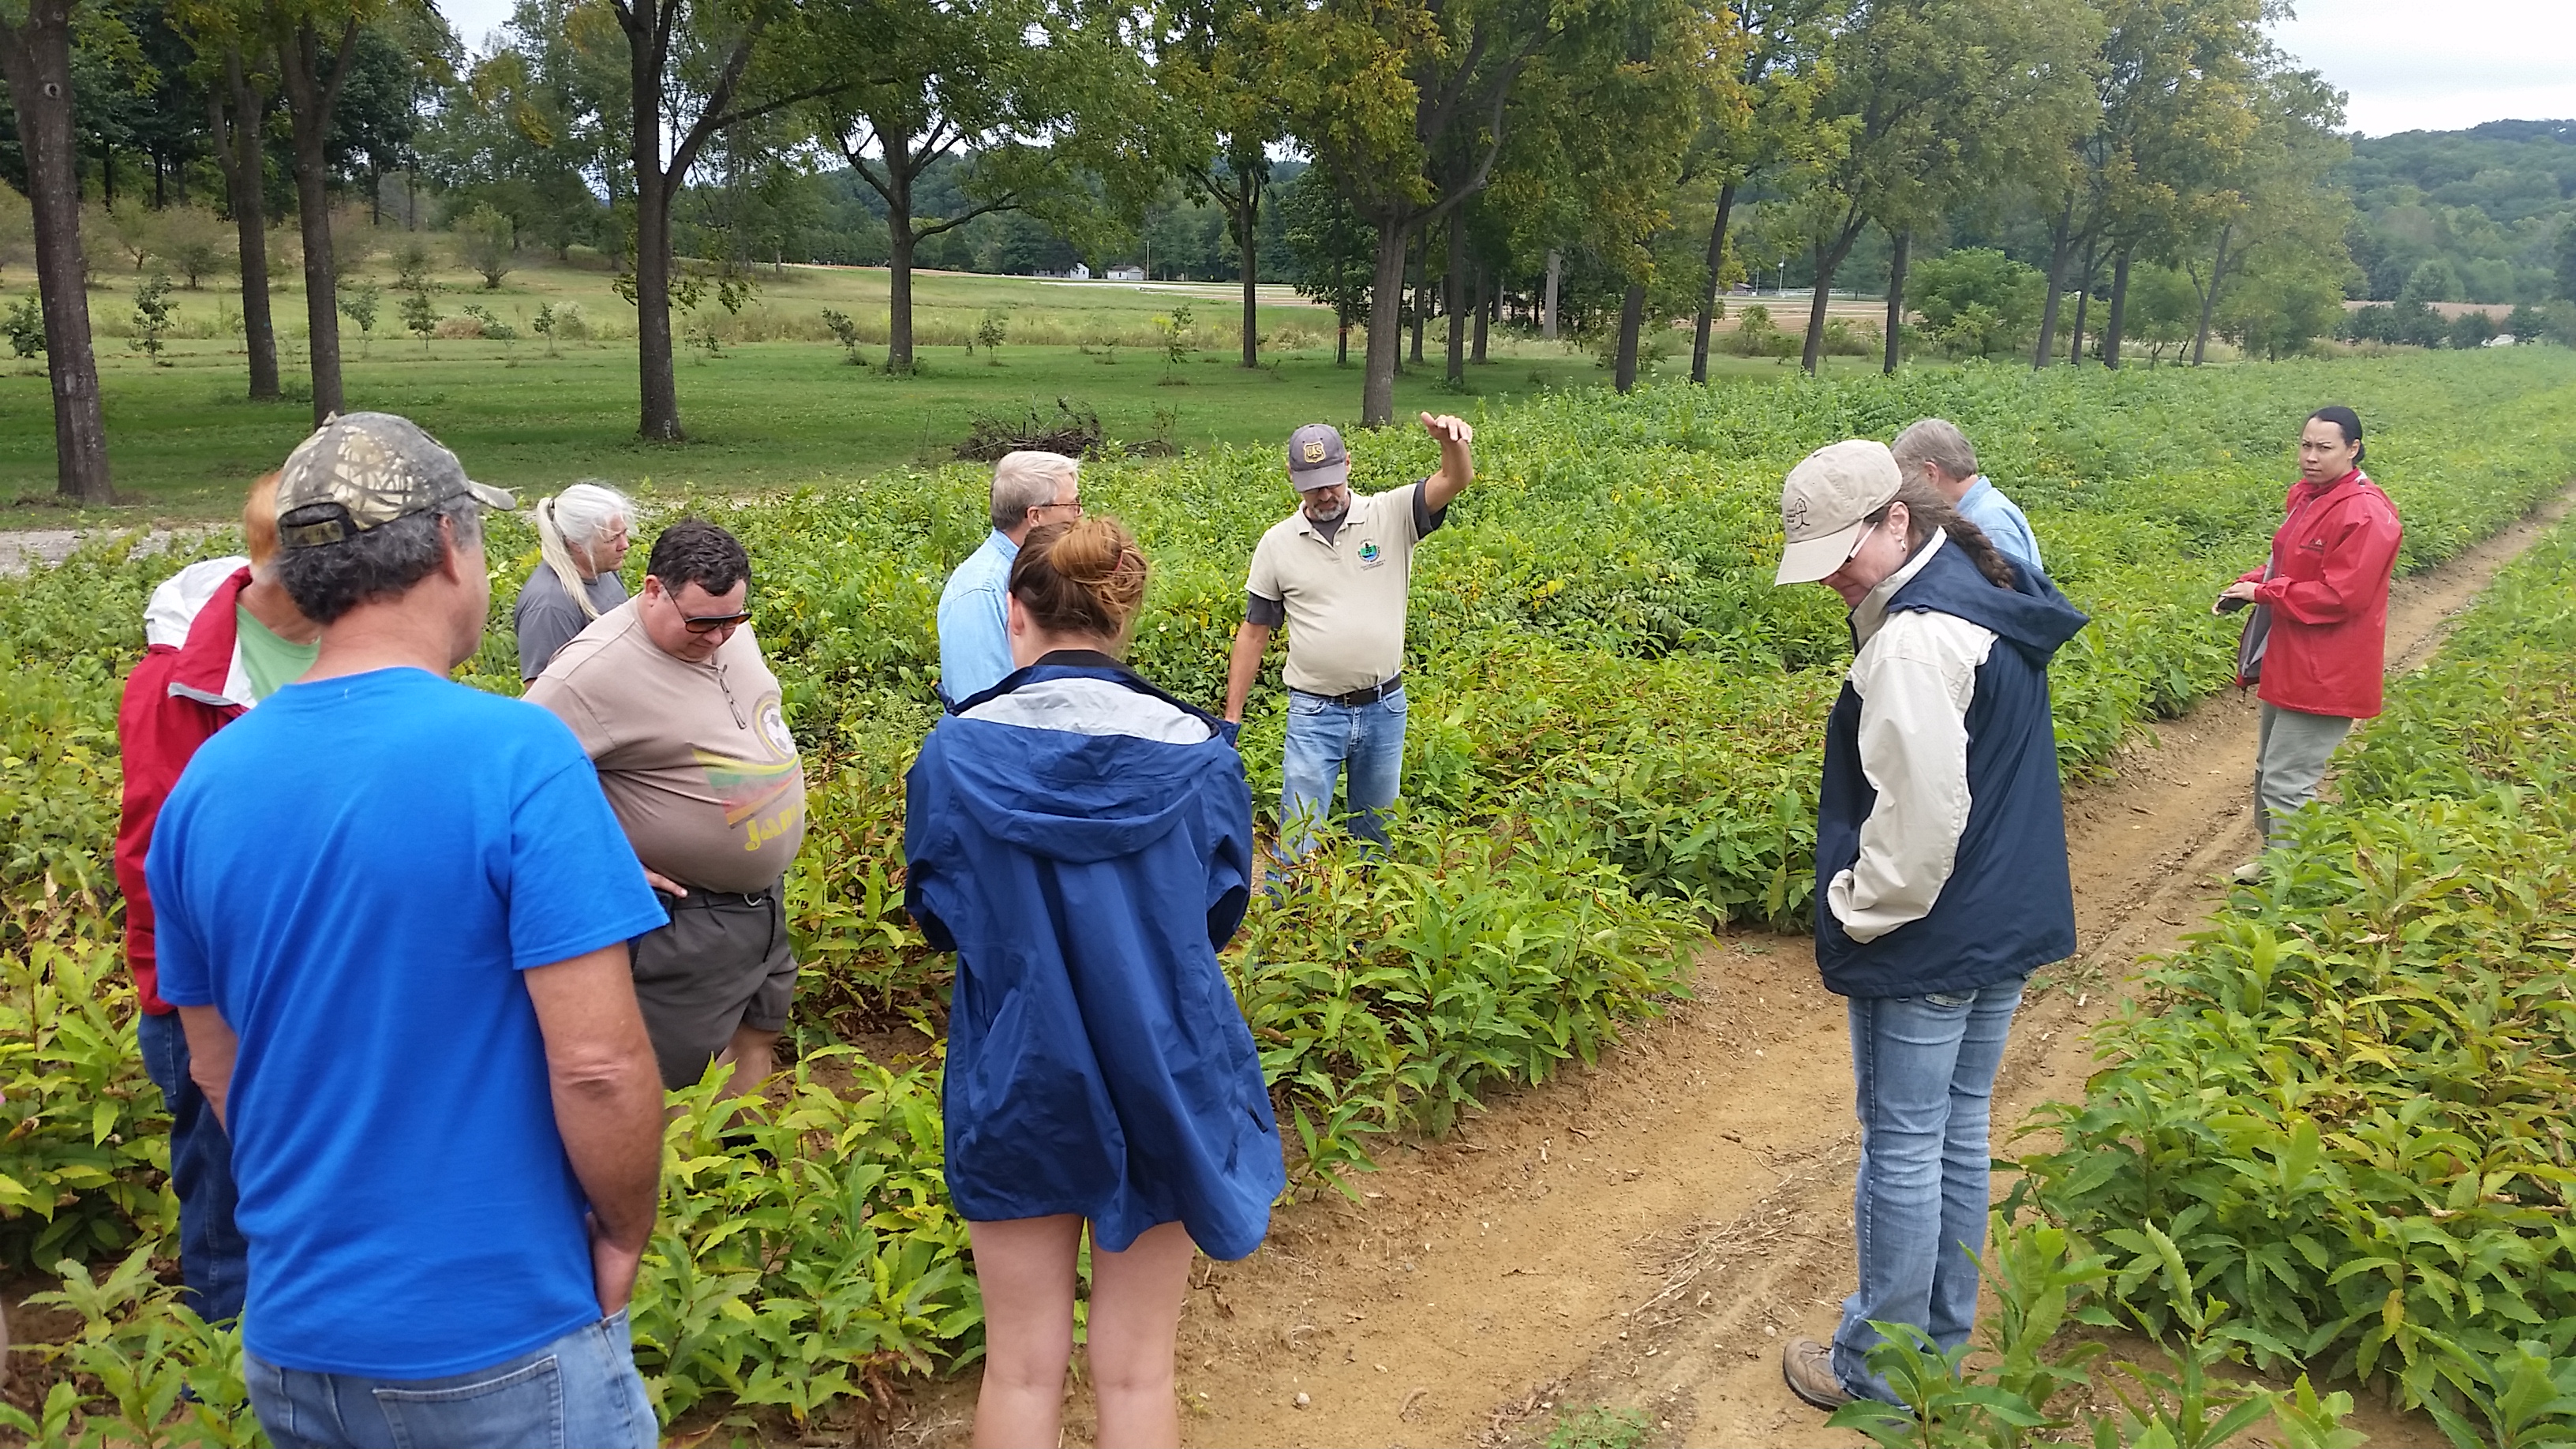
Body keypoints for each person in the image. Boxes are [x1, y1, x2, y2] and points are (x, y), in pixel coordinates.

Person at [147, 412, 669, 1447]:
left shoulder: (207, 783)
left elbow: (218, 1073)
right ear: (447, 545)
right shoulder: (515, 755)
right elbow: (600, 1062)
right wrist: (623, 1230)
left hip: (297, 1337)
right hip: (496, 1330)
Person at [904, 516, 1279, 1449]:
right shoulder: (1201, 755)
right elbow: (1218, 916)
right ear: (1122, 619)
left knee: (1021, 1366)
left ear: (1015, 619)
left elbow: (940, 919)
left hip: (1018, 1073)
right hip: (1167, 1070)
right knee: (1140, 1367)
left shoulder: (951, 756)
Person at [1766, 440, 2087, 1413]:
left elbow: (1918, 823)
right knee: (1956, 1131)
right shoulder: (1986, 590)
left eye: (1839, 554)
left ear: (1896, 521)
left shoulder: (1911, 641)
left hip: (1934, 933)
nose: (1830, 577)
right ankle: (1935, 1352)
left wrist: (1856, 911)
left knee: (1902, 1145)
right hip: (2006, 914)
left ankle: (1877, 1374)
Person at [113, 471, 320, 1325]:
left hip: (314, 980)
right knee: (229, 1211)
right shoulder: (177, 684)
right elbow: (158, 863)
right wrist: (188, 1015)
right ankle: (222, 1383)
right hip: (215, 1001)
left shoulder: (343, 647)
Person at [526, 520, 807, 1097]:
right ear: (653, 589)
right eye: (701, 622)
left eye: (736, 619)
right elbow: (507, 786)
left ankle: (744, 1179)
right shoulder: (587, 674)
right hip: (684, 922)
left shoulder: (724, 630)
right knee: (672, 1079)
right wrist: (604, 858)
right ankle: (673, 1186)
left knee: (758, 1031)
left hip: (763, 904)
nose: (719, 637)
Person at [1220, 414, 1473, 862]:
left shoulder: (1391, 515)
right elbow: (1254, 632)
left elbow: (1456, 478)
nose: (1325, 494)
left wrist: (1451, 442)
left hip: (1384, 708)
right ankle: (1294, 920)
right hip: (1314, 713)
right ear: (1293, 478)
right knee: (1300, 833)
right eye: (1313, 484)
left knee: (1377, 832)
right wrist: (1233, 717)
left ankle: (1367, 925)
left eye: (1332, 481)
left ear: (1349, 466)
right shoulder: (1277, 544)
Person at [2215, 406, 2401, 880]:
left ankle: (2290, 879)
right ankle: (2278, 859)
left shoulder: (2365, 513)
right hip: (2292, 656)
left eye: (2324, 448)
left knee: (2288, 779)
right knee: (2268, 768)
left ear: (2353, 449)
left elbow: (2342, 595)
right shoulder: (2313, 499)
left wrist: (2267, 593)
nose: (2310, 457)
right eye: (2305, 445)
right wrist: (2252, 585)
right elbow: (2291, 568)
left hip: (2327, 669)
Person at [938, 451, 1082, 705]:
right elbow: (981, 709)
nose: (1079, 514)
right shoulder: (979, 592)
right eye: (1072, 505)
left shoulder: (1049, 568)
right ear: (1035, 516)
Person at [515, 481, 634, 681]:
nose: (625, 545)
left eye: (624, 533)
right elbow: (541, 692)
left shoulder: (603, 570)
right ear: (576, 543)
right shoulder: (550, 606)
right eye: (612, 539)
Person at [1891, 417, 2042, 575]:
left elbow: (2015, 593)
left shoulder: (1990, 521)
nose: (1909, 491)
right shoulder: (1982, 511)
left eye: (1910, 481)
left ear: (1930, 474)